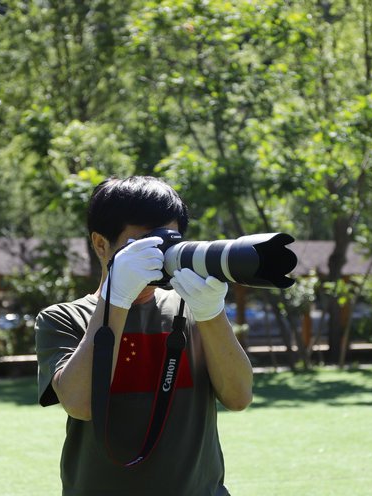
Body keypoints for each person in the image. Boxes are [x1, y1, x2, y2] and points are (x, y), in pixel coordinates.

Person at [36, 176, 253, 496]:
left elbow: (238, 397)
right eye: (142, 244)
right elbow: (80, 404)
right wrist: (115, 300)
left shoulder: (194, 309)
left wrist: (212, 313)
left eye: (168, 241)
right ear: (100, 244)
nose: (159, 255)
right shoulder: (63, 318)